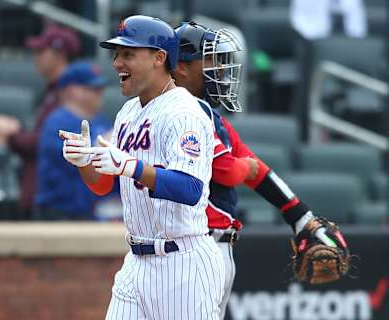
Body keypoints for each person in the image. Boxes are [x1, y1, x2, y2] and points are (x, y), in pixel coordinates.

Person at [172, 21, 349, 319]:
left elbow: (257, 169)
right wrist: (246, 166)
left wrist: (299, 216)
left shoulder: (210, 116)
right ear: (181, 67)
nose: (219, 70)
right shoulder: (179, 112)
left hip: (211, 248)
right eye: (210, 60)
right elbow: (228, 171)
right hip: (189, 249)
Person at [60, 15, 224, 319]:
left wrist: (132, 167)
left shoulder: (184, 112)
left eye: (128, 54)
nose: (117, 63)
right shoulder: (128, 112)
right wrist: (84, 162)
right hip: (136, 261)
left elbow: (190, 189)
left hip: (182, 262)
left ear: (159, 58)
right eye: (117, 54)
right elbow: (102, 185)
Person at [0, 24, 81, 217]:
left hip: (57, 197)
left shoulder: (70, 92)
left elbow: (49, 141)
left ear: (59, 55)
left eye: (42, 51)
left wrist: (11, 136)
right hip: (44, 193)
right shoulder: (52, 91)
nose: (36, 56)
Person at [35, 61, 111, 220]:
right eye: (92, 89)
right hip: (59, 213)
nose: (99, 93)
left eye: (100, 89)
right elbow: (75, 159)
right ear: (71, 90)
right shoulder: (56, 122)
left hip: (94, 213)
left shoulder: (102, 122)